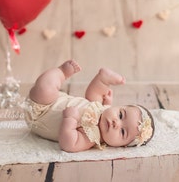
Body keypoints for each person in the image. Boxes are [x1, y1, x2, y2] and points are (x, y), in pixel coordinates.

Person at [24, 60, 154, 152]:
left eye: (122, 131)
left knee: (44, 89)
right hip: (57, 97)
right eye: (120, 114)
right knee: (95, 95)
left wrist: (70, 120)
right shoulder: (104, 111)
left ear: (121, 146)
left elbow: (69, 144)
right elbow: (92, 95)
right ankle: (102, 79)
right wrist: (107, 103)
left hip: (39, 114)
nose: (116, 123)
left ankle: (61, 73)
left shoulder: (92, 137)